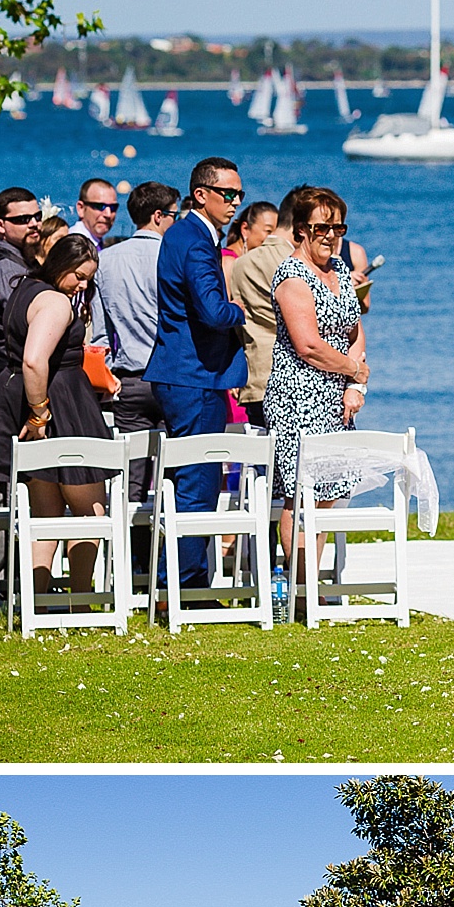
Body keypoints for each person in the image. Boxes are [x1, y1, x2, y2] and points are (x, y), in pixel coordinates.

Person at [0, 234, 116, 595]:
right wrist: (40, 415)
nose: (83, 285)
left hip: (32, 399)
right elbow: (34, 360)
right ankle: (80, 601)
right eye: (78, 276)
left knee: (45, 515)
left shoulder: (24, 287)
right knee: (89, 511)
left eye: (88, 279)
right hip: (63, 405)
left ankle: (37, 601)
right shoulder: (55, 302)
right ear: (61, 265)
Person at [144, 156, 250, 587]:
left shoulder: (187, 234)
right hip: (193, 374)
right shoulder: (194, 239)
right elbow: (209, 310)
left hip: (187, 372)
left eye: (240, 194)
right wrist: (239, 311)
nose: (236, 202)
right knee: (197, 482)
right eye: (228, 194)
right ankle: (186, 586)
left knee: (191, 480)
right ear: (201, 194)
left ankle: (181, 580)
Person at [264, 185, 369, 590]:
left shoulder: (341, 271)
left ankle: (310, 586)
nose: (331, 235)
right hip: (298, 397)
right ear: (301, 231)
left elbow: (355, 328)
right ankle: (302, 591)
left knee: (327, 497)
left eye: (337, 227)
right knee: (300, 497)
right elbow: (308, 345)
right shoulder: (291, 277)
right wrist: (355, 370)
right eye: (322, 227)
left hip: (336, 397)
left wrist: (354, 385)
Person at [93, 180, 180, 505]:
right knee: (175, 477)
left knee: (131, 481)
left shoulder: (106, 259)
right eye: (174, 215)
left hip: (127, 379)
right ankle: (166, 554)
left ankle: (131, 555)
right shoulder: (173, 255)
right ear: (158, 216)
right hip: (172, 377)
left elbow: (101, 333)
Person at [226, 188, 298, 429]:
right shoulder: (293, 262)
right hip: (289, 379)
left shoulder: (241, 264)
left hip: (256, 375)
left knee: (263, 460)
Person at [0, 186, 44, 393]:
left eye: (37, 216)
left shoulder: (22, 261)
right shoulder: (7, 270)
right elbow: (27, 322)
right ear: (0, 225)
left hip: (12, 377)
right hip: (6, 380)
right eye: (23, 219)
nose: (34, 224)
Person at [74, 177, 122, 248]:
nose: (108, 214)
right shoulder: (74, 246)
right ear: (81, 208)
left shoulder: (96, 244)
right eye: (100, 206)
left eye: (113, 207)